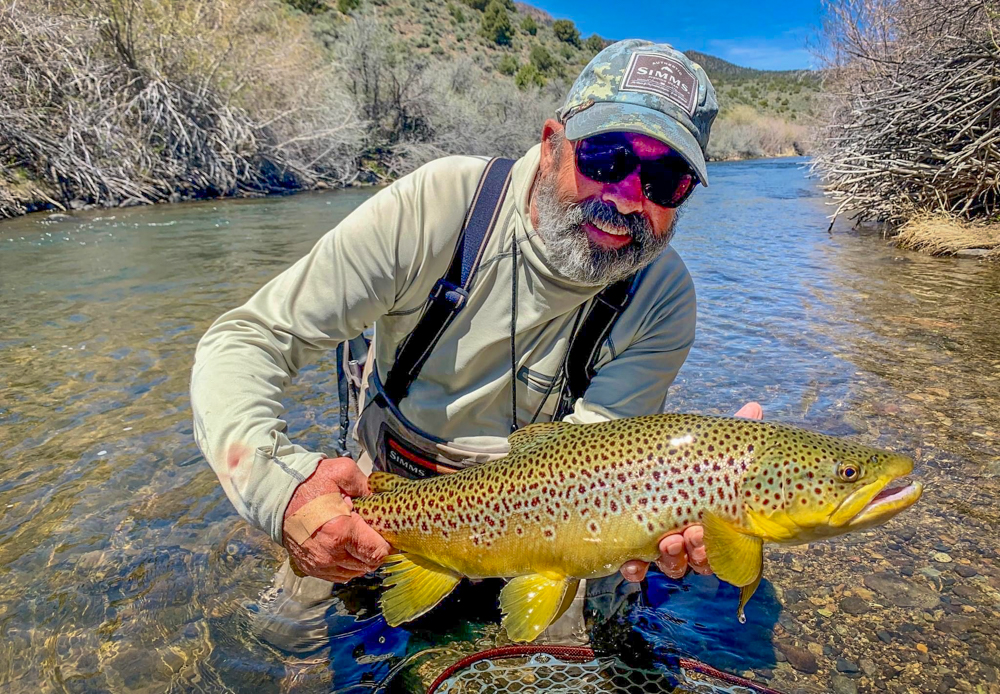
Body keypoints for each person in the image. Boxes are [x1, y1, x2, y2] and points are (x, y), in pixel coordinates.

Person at [190, 39, 761, 628]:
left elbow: (596, 471)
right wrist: (281, 490)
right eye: (606, 157)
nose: (627, 196)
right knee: (281, 635)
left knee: (556, 668)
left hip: (546, 516)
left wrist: (705, 482)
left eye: (666, 178)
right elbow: (247, 338)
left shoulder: (661, 301)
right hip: (386, 491)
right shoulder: (437, 209)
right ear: (551, 145)